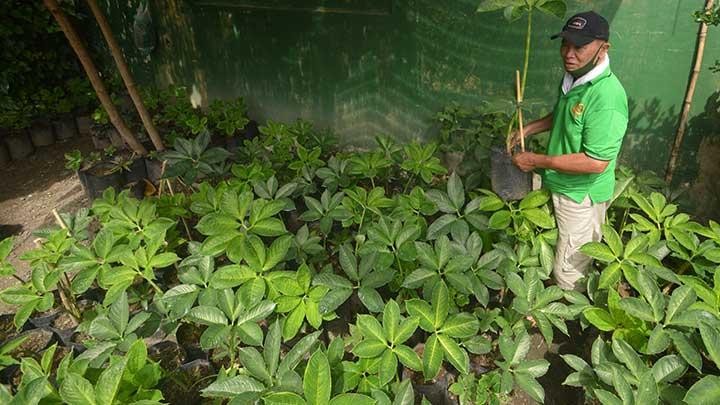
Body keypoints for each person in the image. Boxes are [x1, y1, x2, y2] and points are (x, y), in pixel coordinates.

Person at [510, 11, 628, 291]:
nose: (569, 53)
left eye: (579, 47)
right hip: (563, 183)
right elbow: (564, 116)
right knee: (562, 245)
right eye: (565, 44)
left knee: (570, 266)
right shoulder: (575, 78)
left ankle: (565, 314)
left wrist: (537, 160)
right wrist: (530, 128)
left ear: (603, 48)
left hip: (581, 194)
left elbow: (595, 162)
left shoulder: (606, 98)